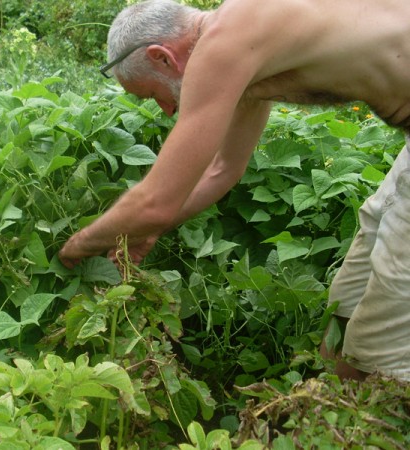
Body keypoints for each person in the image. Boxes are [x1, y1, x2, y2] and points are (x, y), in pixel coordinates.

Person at [59, 0, 410, 381]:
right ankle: (325, 406)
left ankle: (357, 425)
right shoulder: (248, 46)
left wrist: (75, 247)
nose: (166, 109)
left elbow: (154, 202)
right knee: (346, 299)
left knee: (379, 343)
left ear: (162, 58)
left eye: (153, 94)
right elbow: (223, 169)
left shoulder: (223, 42)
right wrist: (152, 227)